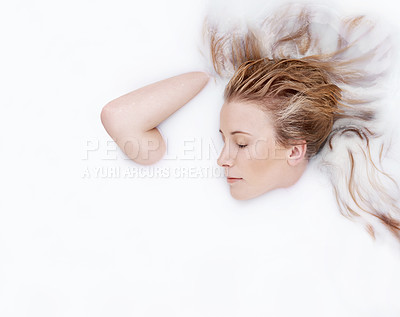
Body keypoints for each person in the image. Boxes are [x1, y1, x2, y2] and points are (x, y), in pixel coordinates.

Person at [101, 4, 400, 244]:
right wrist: (209, 76)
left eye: (241, 143)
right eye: (223, 140)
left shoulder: (340, 223)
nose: (221, 159)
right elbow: (119, 117)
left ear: (295, 151)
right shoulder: (194, 180)